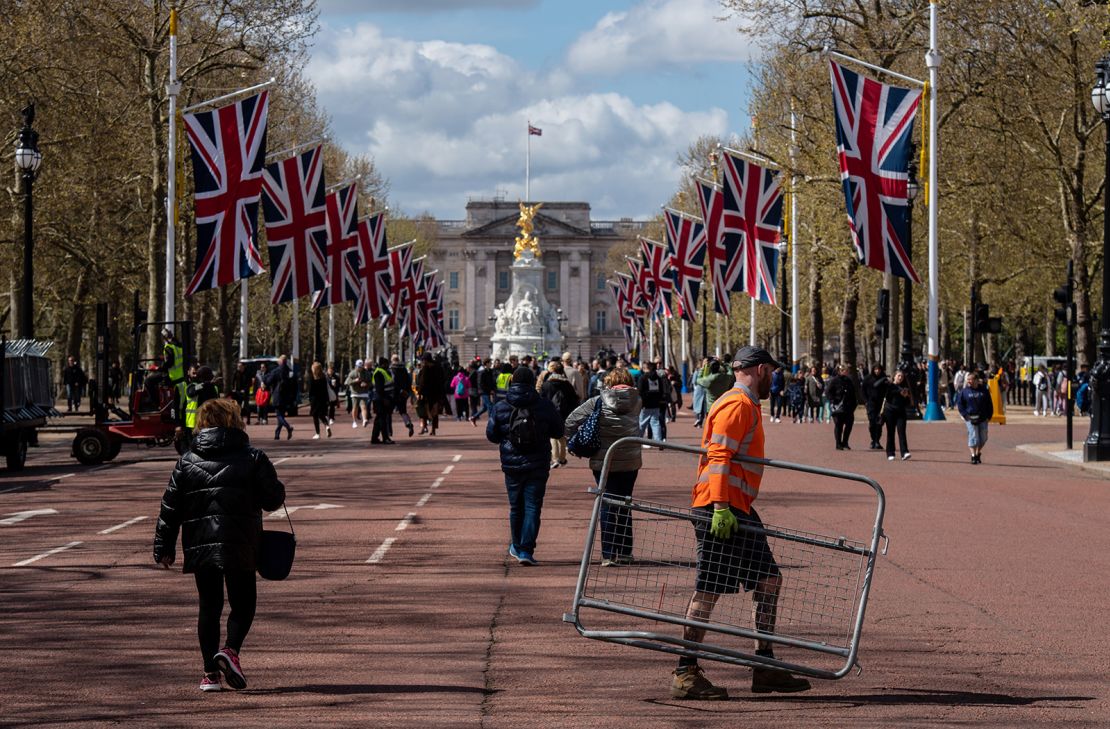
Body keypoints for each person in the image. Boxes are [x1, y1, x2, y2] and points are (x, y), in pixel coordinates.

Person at [671, 346, 811, 700]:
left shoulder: (744, 403)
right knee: (709, 588)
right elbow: (719, 456)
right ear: (761, 369)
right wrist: (719, 506)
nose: (774, 378)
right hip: (722, 507)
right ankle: (685, 671)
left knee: (768, 580)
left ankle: (764, 664)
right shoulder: (737, 404)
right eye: (772, 372)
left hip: (736, 506)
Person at [152, 398, 285, 692]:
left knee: (209, 606)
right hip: (241, 541)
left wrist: (164, 546)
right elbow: (273, 500)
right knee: (244, 604)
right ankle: (230, 650)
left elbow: (169, 507)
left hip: (200, 543)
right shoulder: (253, 457)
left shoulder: (187, 460)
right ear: (234, 421)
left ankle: (210, 675)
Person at [486, 366, 564, 566]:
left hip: (512, 464)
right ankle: (526, 550)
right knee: (532, 507)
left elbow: (492, 435)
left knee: (515, 507)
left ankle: (517, 545)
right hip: (538, 463)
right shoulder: (544, 405)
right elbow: (558, 431)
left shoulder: (501, 406)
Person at [565, 367, 642, 567]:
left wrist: (574, 440)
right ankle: (625, 551)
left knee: (607, 503)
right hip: (630, 459)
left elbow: (571, 421)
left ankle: (608, 553)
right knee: (625, 502)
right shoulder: (637, 401)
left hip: (603, 459)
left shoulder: (598, 401)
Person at [539, 360, 579, 469]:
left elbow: (541, 399)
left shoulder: (546, 384)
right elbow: (574, 399)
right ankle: (562, 458)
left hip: (550, 412)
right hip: (565, 414)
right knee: (562, 436)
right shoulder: (567, 384)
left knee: (552, 436)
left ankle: (555, 458)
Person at [955, 370, 994, 464]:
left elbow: (989, 403)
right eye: (968, 379)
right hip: (970, 418)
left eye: (971, 379)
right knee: (973, 436)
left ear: (976, 380)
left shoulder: (984, 390)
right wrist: (965, 415)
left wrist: (989, 416)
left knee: (983, 438)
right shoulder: (964, 392)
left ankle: (978, 453)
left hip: (983, 418)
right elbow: (960, 404)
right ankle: (973, 456)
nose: (969, 381)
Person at [183, 366, 220, 448]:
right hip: (194, 423)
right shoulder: (193, 386)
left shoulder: (213, 387)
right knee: (193, 447)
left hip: (209, 423)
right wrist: (207, 384)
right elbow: (191, 392)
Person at [882, 370, 914, 461]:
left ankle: (904, 452)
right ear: (894, 376)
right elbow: (887, 395)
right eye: (898, 376)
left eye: (902, 376)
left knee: (902, 432)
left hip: (901, 412)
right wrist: (898, 392)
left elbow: (908, 403)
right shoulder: (889, 386)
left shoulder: (905, 388)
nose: (900, 378)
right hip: (889, 411)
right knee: (890, 432)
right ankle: (890, 453)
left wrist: (906, 396)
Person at [826, 364, 858, 450]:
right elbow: (828, 392)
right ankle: (838, 443)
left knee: (849, 425)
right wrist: (833, 400)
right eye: (844, 370)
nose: (846, 372)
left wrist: (854, 404)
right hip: (838, 407)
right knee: (839, 426)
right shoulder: (834, 380)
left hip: (848, 407)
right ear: (840, 371)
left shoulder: (849, 380)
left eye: (847, 370)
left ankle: (845, 442)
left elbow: (853, 393)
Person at [415, 353, 445, 435]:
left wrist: (420, 392)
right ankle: (431, 429)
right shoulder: (438, 368)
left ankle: (426, 428)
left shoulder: (426, 368)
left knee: (425, 411)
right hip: (434, 393)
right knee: (431, 411)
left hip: (428, 393)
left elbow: (422, 382)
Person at [267, 355, 296, 441]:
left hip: (277, 395)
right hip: (286, 396)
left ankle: (288, 427)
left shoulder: (276, 371)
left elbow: (269, 381)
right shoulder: (289, 371)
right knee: (281, 415)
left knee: (279, 415)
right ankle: (277, 434)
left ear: (280, 361)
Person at [638, 361, 667, 442]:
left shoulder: (642, 378)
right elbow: (661, 390)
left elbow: (640, 392)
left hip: (645, 405)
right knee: (656, 423)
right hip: (656, 404)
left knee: (642, 424)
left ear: (645, 368)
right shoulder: (658, 378)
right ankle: (659, 442)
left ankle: (637, 441)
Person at [861, 365, 889, 449]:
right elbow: (862, 390)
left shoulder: (884, 379)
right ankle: (873, 439)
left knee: (879, 423)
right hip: (871, 403)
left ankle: (877, 441)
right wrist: (866, 401)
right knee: (872, 422)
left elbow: (888, 390)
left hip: (881, 404)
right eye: (876, 369)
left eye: (879, 369)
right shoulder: (867, 379)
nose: (877, 371)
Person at [370, 357, 395, 445]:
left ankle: (374, 437)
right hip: (380, 399)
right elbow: (379, 388)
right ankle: (385, 438)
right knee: (383, 419)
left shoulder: (383, 372)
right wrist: (384, 398)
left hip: (382, 398)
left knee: (378, 419)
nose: (388, 366)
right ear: (383, 364)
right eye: (386, 364)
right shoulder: (379, 373)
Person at [389, 355, 415, 437]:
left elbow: (393, 381)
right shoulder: (404, 369)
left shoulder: (391, 369)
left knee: (388, 412)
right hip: (403, 393)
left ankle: (389, 430)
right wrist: (407, 391)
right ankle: (408, 423)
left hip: (393, 393)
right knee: (403, 411)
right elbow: (408, 381)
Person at [308, 362, 332, 439]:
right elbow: (326, 389)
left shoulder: (312, 378)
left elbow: (311, 390)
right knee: (321, 415)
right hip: (323, 399)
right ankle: (326, 425)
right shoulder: (323, 378)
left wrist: (310, 398)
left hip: (315, 399)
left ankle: (317, 433)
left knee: (315, 416)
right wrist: (327, 399)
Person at [469, 359, 497, 425]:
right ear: (486, 363)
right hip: (483, 391)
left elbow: (491, 382)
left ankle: (473, 417)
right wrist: (487, 390)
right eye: (490, 363)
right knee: (490, 405)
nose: (491, 364)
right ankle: (491, 421)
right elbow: (480, 383)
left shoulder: (490, 371)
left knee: (484, 408)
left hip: (488, 391)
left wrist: (492, 389)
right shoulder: (482, 372)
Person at [346, 359, 371, 428]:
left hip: (364, 392)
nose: (360, 368)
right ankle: (354, 421)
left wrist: (366, 384)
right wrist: (355, 381)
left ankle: (364, 420)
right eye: (359, 367)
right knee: (355, 407)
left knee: (364, 407)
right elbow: (347, 382)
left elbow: (370, 383)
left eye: (361, 366)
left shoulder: (367, 373)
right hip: (355, 393)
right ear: (356, 366)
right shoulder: (352, 373)